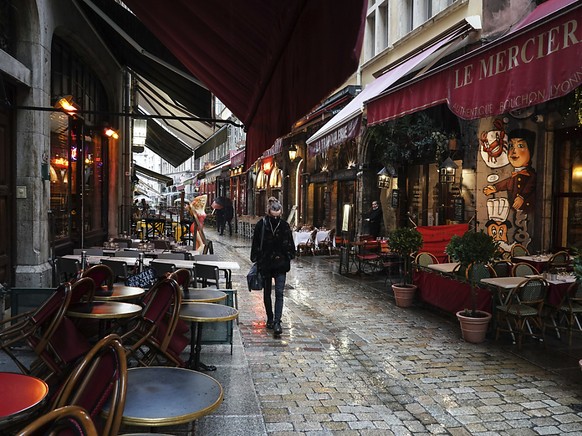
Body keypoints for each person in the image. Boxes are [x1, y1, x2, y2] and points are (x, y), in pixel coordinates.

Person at [250, 197, 296, 337]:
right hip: (266, 264)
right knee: (267, 292)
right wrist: (257, 258)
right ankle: (270, 318)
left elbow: (290, 244)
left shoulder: (284, 226)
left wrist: (288, 255)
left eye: (278, 213)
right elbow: (256, 243)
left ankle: (277, 321)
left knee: (280, 293)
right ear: (269, 212)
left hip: (280, 264)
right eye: (273, 213)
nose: (276, 216)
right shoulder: (262, 225)